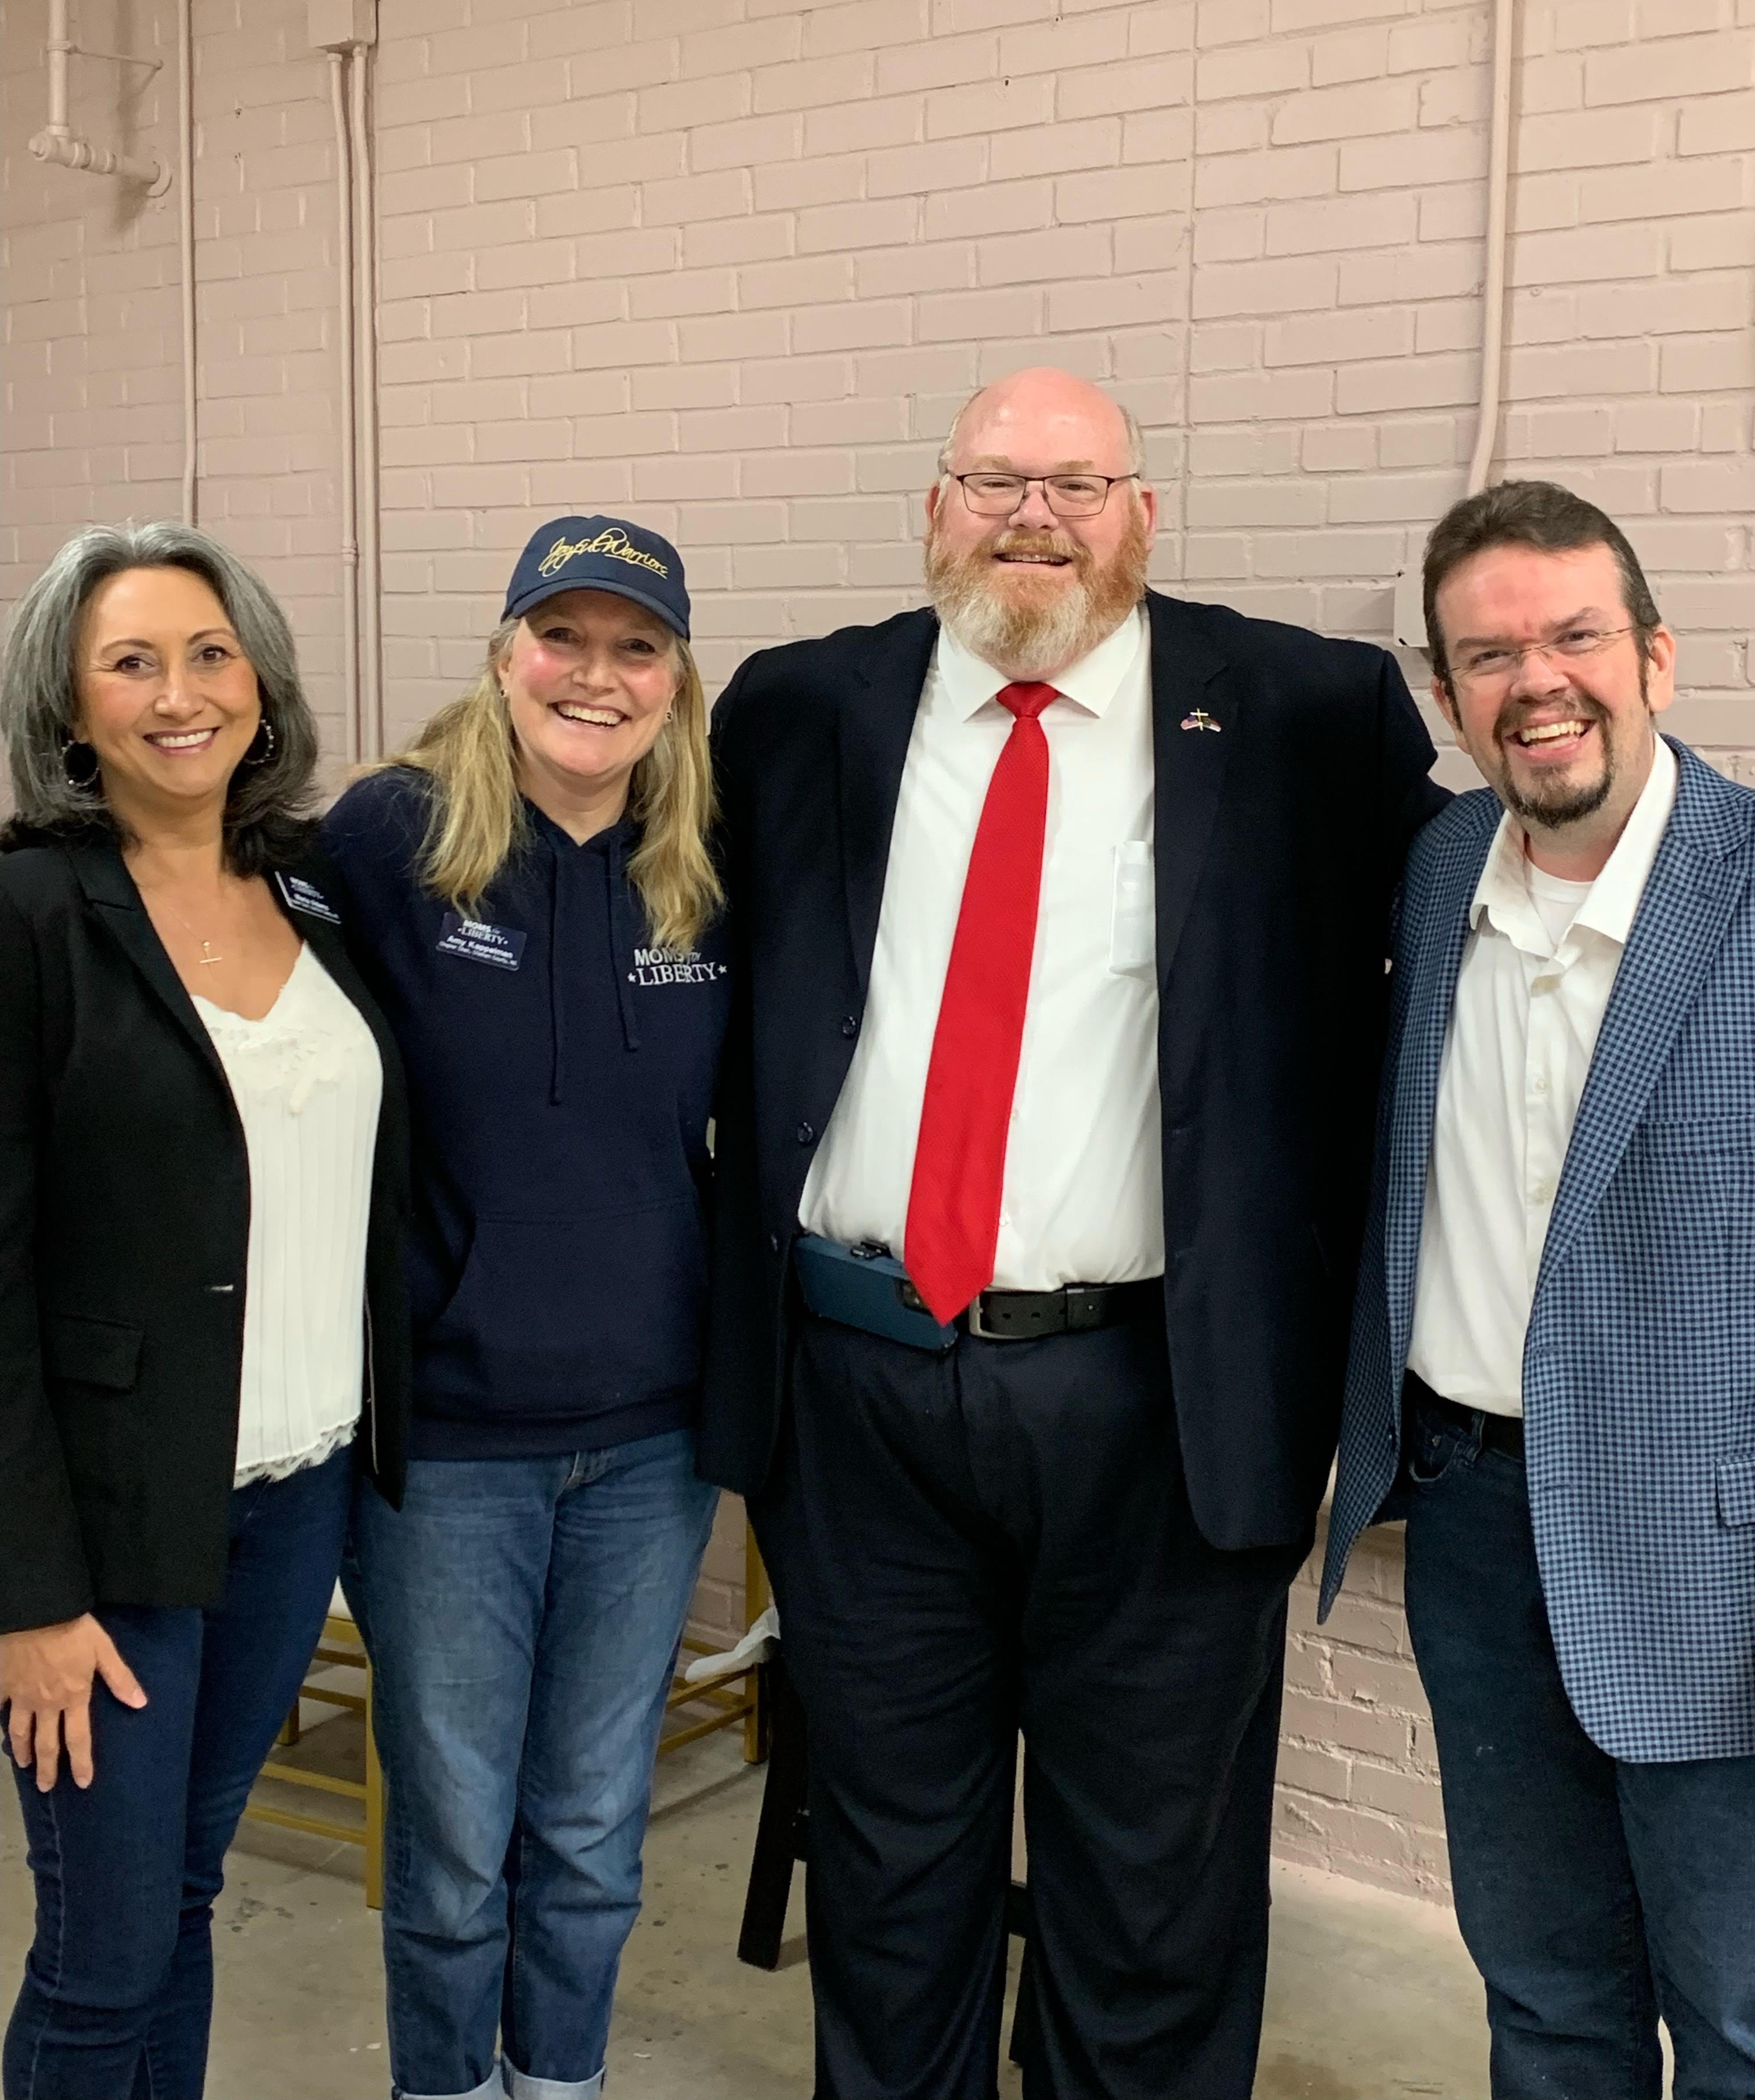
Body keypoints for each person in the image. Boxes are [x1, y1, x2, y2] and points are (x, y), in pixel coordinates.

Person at [703, 366, 1445, 2100]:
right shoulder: (799, 708)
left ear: (1143, 516)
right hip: (858, 1396)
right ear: (934, 509)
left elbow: (1476, 923)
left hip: (1159, 1400)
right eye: (994, 482)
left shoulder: (1301, 710)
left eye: (1077, 486)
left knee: (1152, 1890)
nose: (1033, 518)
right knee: (889, 1872)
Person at [1325, 480, 1755, 2100]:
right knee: (1544, 1991)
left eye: (1575, 635)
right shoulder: (1442, 869)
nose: (1538, 681)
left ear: (1656, 655)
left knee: (1739, 2016)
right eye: (1490, 655)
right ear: (1447, 696)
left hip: (1715, 1537)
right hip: (1475, 1515)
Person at [0, 522, 411, 2100]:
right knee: (102, 1955)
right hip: (109, 1535)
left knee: (180, 1899)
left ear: (259, 680)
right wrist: (30, 1599)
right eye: (132, 663)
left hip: (294, 1496)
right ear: (70, 705)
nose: (182, 695)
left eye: (210, 654)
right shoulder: (32, 916)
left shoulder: (309, 884)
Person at [320, 515, 728, 2100]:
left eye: (636, 647)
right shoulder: (392, 839)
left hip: (650, 1443)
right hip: (450, 1448)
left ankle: (560, 2082)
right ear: (505, 657)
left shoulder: (706, 868)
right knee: (449, 1851)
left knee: (592, 1831)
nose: (595, 675)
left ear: (677, 681)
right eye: (563, 637)